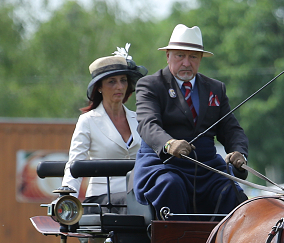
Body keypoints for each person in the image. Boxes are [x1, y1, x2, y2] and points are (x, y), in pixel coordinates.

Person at [134, 24, 249, 219]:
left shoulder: (215, 88)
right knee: (171, 184)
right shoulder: (151, 85)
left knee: (233, 193)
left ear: (200, 59)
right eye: (180, 56)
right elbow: (147, 124)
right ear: (168, 56)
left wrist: (240, 154)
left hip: (207, 170)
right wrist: (169, 144)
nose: (186, 63)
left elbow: (231, 129)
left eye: (193, 57)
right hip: (163, 166)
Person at [62, 46, 147, 206]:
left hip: (139, 196)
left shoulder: (139, 119)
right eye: (112, 81)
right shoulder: (87, 121)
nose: (120, 86)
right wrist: (67, 196)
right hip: (102, 200)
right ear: (99, 87)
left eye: (123, 80)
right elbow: (75, 162)